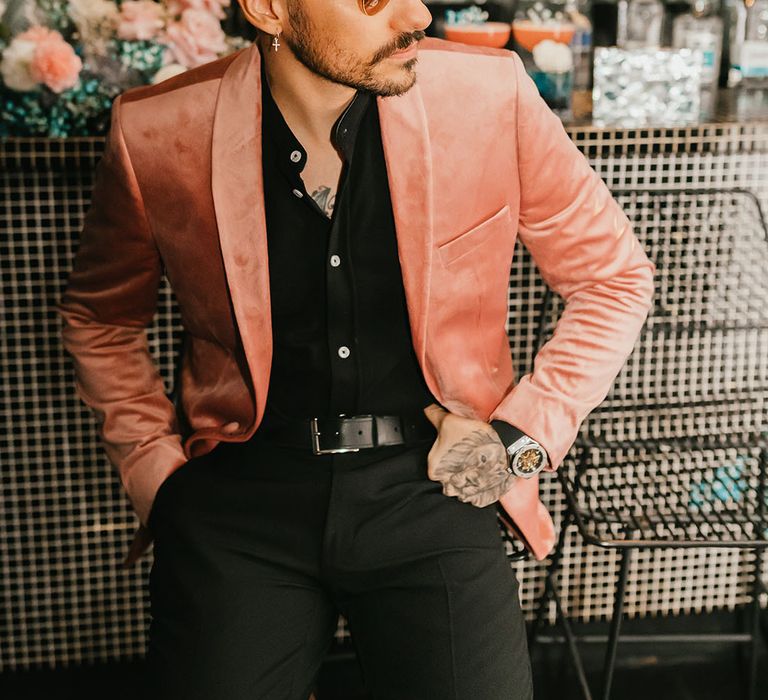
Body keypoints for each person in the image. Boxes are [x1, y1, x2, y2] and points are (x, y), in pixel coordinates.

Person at [57, 0, 656, 697]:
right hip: (240, 505)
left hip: (433, 491)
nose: (417, 14)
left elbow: (613, 276)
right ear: (272, 10)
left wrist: (520, 437)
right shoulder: (156, 130)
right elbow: (99, 318)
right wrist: (159, 479)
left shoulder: (491, 95)